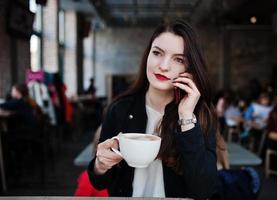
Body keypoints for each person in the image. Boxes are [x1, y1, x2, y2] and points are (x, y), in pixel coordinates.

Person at [87, 19, 219, 199]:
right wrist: (100, 165)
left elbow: (204, 190)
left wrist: (186, 116)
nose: (163, 66)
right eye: (157, 53)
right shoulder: (119, 109)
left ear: (191, 68)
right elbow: (100, 183)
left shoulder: (201, 114)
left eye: (179, 59)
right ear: (147, 55)